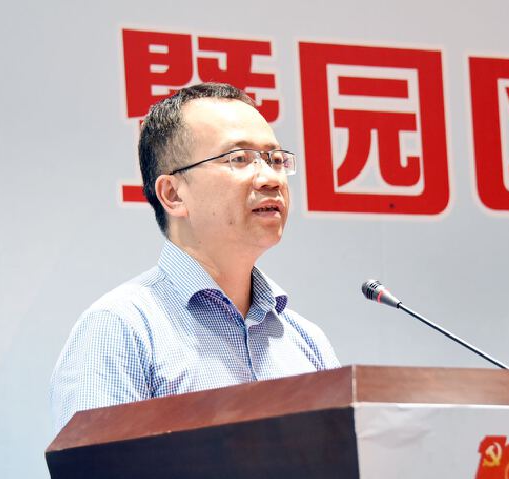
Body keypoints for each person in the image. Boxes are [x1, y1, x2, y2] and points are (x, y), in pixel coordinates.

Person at [50, 83, 340, 433]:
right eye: (239, 159)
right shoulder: (121, 329)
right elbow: (97, 469)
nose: (270, 179)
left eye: (275, 160)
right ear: (173, 194)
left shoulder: (305, 340)